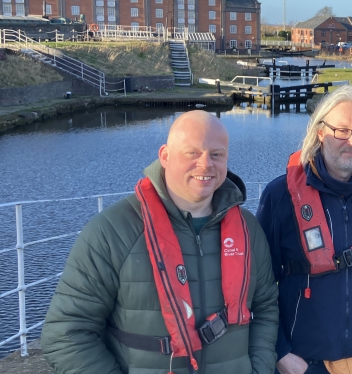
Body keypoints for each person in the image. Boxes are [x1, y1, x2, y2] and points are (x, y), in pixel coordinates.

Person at [41, 111, 279, 374]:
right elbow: (66, 334)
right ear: (165, 156)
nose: (205, 164)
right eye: (192, 153)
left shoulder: (248, 229)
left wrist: (260, 369)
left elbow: (266, 307)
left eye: (216, 154)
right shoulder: (112, 231)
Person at [257, 85, 352, 374]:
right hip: (302, 364)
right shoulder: (280, 196)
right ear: (320, 132)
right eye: (342, 131)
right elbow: (258, 284)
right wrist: (281, 353)